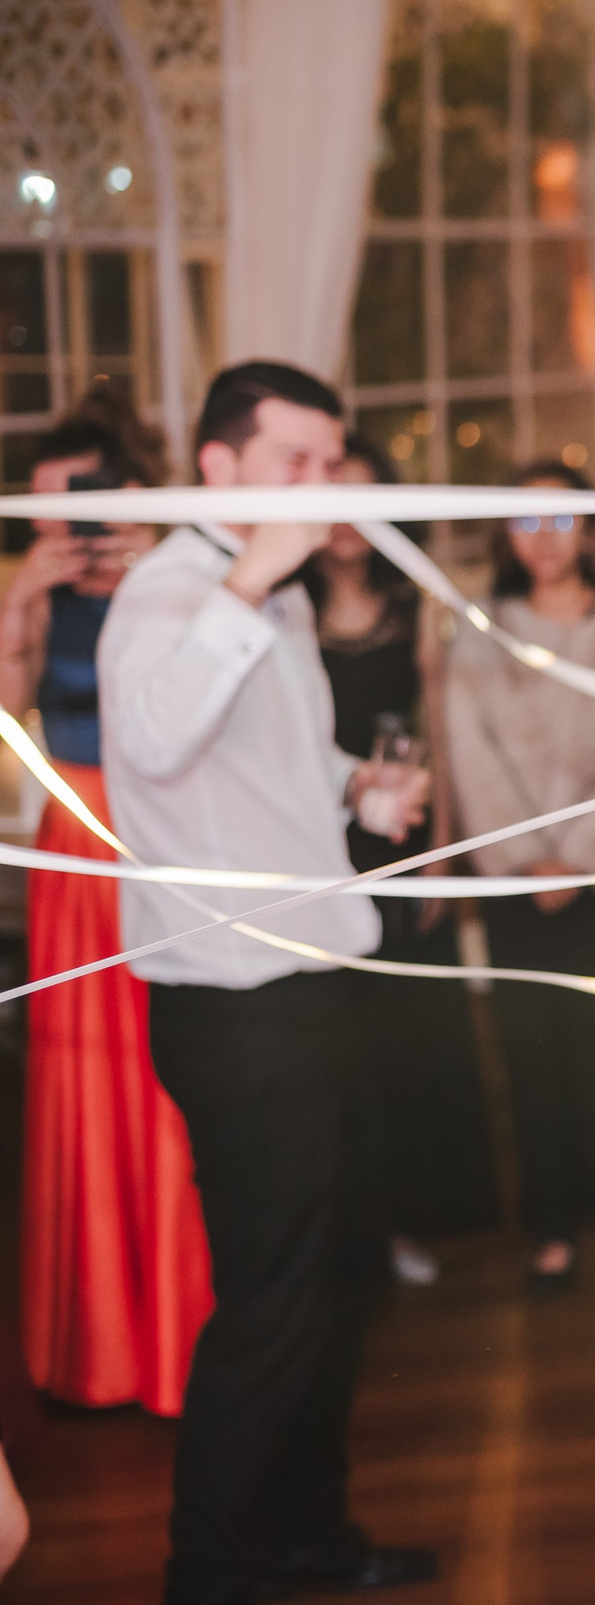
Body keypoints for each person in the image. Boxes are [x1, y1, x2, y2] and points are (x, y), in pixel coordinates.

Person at [100, 360, 437, 1605]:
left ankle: (303, 1533)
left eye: (330, 460)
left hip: (316, 976)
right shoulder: (174, 591)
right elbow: (153, 738)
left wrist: (354, 783)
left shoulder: (272, 591)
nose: (322, 487)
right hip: (237, 1009)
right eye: (294, 461)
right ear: (217, 465)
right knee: (270, 1313)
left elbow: (268, 759)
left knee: (340, 1275)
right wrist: (252, 581)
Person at [0, 388, 211, 1421]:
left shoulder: (167, 576)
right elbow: (8, 704)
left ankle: (182, 1326)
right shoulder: (32, 585)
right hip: (78, 843)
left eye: (77, 508)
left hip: (163, 829)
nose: (63, 530)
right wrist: (24, 593)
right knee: (86, 1070)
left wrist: (141, 566)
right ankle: (101, 1334)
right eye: (41, 512)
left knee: (170, 1060)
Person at [446, 463, 595, 1298]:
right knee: (531, 1053)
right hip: (517, 884)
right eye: (524, 518)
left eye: (562, 516)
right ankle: (550, 1228)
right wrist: (526, 860)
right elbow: (469, 752)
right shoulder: (480, 629)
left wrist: (579, 857)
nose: (543, 535)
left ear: (593, 527)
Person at [296, 435, 496, 1286]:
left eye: (363, 497)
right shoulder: (279, 605)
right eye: (330, 495)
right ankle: (349, 1234)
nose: (346, 517)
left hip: (403, 836)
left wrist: (444, 854)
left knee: (412, 1038)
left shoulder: (418, 604)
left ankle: (411, 1221)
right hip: (310, 841)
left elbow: (443, 737)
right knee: (333, 1042)